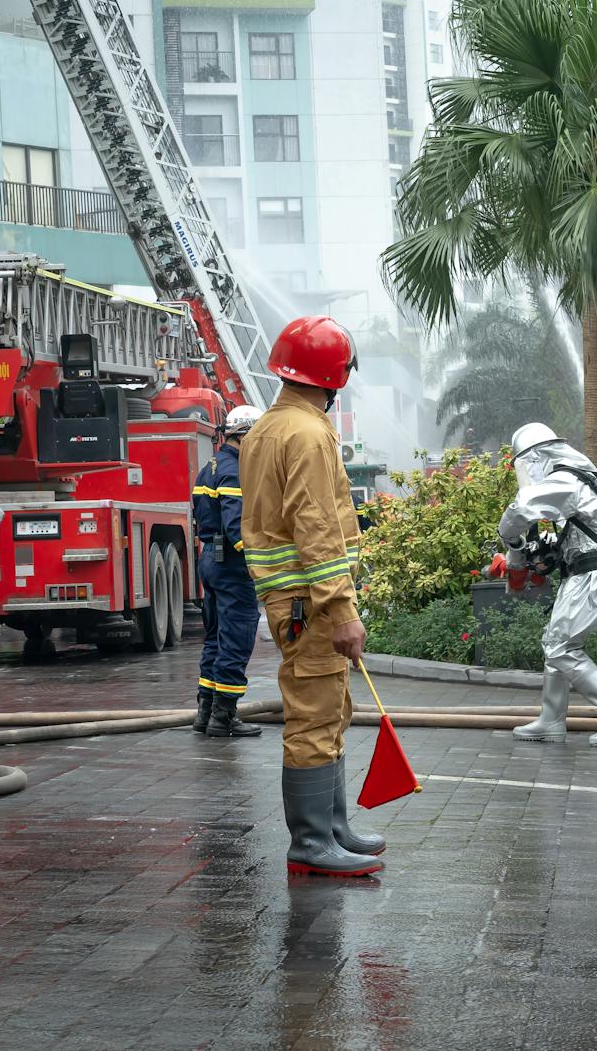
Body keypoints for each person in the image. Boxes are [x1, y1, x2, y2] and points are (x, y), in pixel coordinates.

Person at [241, 316, 386, 877]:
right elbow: (317, 524)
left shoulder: (268, 428)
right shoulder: (308, 433)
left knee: (329, 710)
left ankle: (331, 828)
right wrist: (342, 609)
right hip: (311, 602)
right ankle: (310, 842)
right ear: (334, 375)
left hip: (294, 602)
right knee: (314, 717)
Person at [501, 423, 597, 747]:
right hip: (583, 574)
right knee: (554, 644)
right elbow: (572, 533)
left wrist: (508, 537)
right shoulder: (579, 478)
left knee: (561, 648)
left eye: (526, 463)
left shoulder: (566, 479)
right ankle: (551, 720)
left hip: (590, 576)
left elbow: (521, 507)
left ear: (537, 456)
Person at [193, 403, 264, 738]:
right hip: (232, 566)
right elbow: (237, 526)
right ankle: (224, 718)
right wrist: (258, 562)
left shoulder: (209, 466)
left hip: (210, 558)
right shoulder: (234, 470)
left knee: (215, 639)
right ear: (245, 436)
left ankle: (205, 712)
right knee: (236, 639)